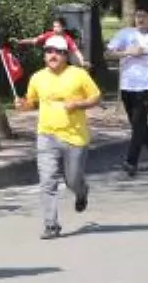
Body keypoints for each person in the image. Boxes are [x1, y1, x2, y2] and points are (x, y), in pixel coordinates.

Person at [16, 35, 103, 239]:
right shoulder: (37, 77)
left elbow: (96, 97)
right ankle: (51, 225)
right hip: (46, 135)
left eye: (57, 51)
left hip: (75, 137)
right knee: (47, 181)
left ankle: (81, 191)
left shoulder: (78, 75)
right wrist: (22, 105)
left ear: (65, 55)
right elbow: (30, 102)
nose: (52, 55)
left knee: (72, 180)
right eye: (48, 51)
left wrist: (78, 105)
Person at [106, 8, 148, 176]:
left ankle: (131, 161)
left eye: (144, 16)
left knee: (138, 123)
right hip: (127, 85)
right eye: (137, 16)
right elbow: (108, 53)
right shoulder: (125, 34)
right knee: (135, 123)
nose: (140, 19)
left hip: (146, 85)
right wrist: (128, 52)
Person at [10, 17, 88, 68]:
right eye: (54, 26)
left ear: (63, 27)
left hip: (61, 67)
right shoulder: (48, 35)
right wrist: (19, 41)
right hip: (48, 66)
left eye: (58, 26)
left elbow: (76, 51)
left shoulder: (67, 39)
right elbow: (34, 40)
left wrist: (82, 61)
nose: (55, 28)